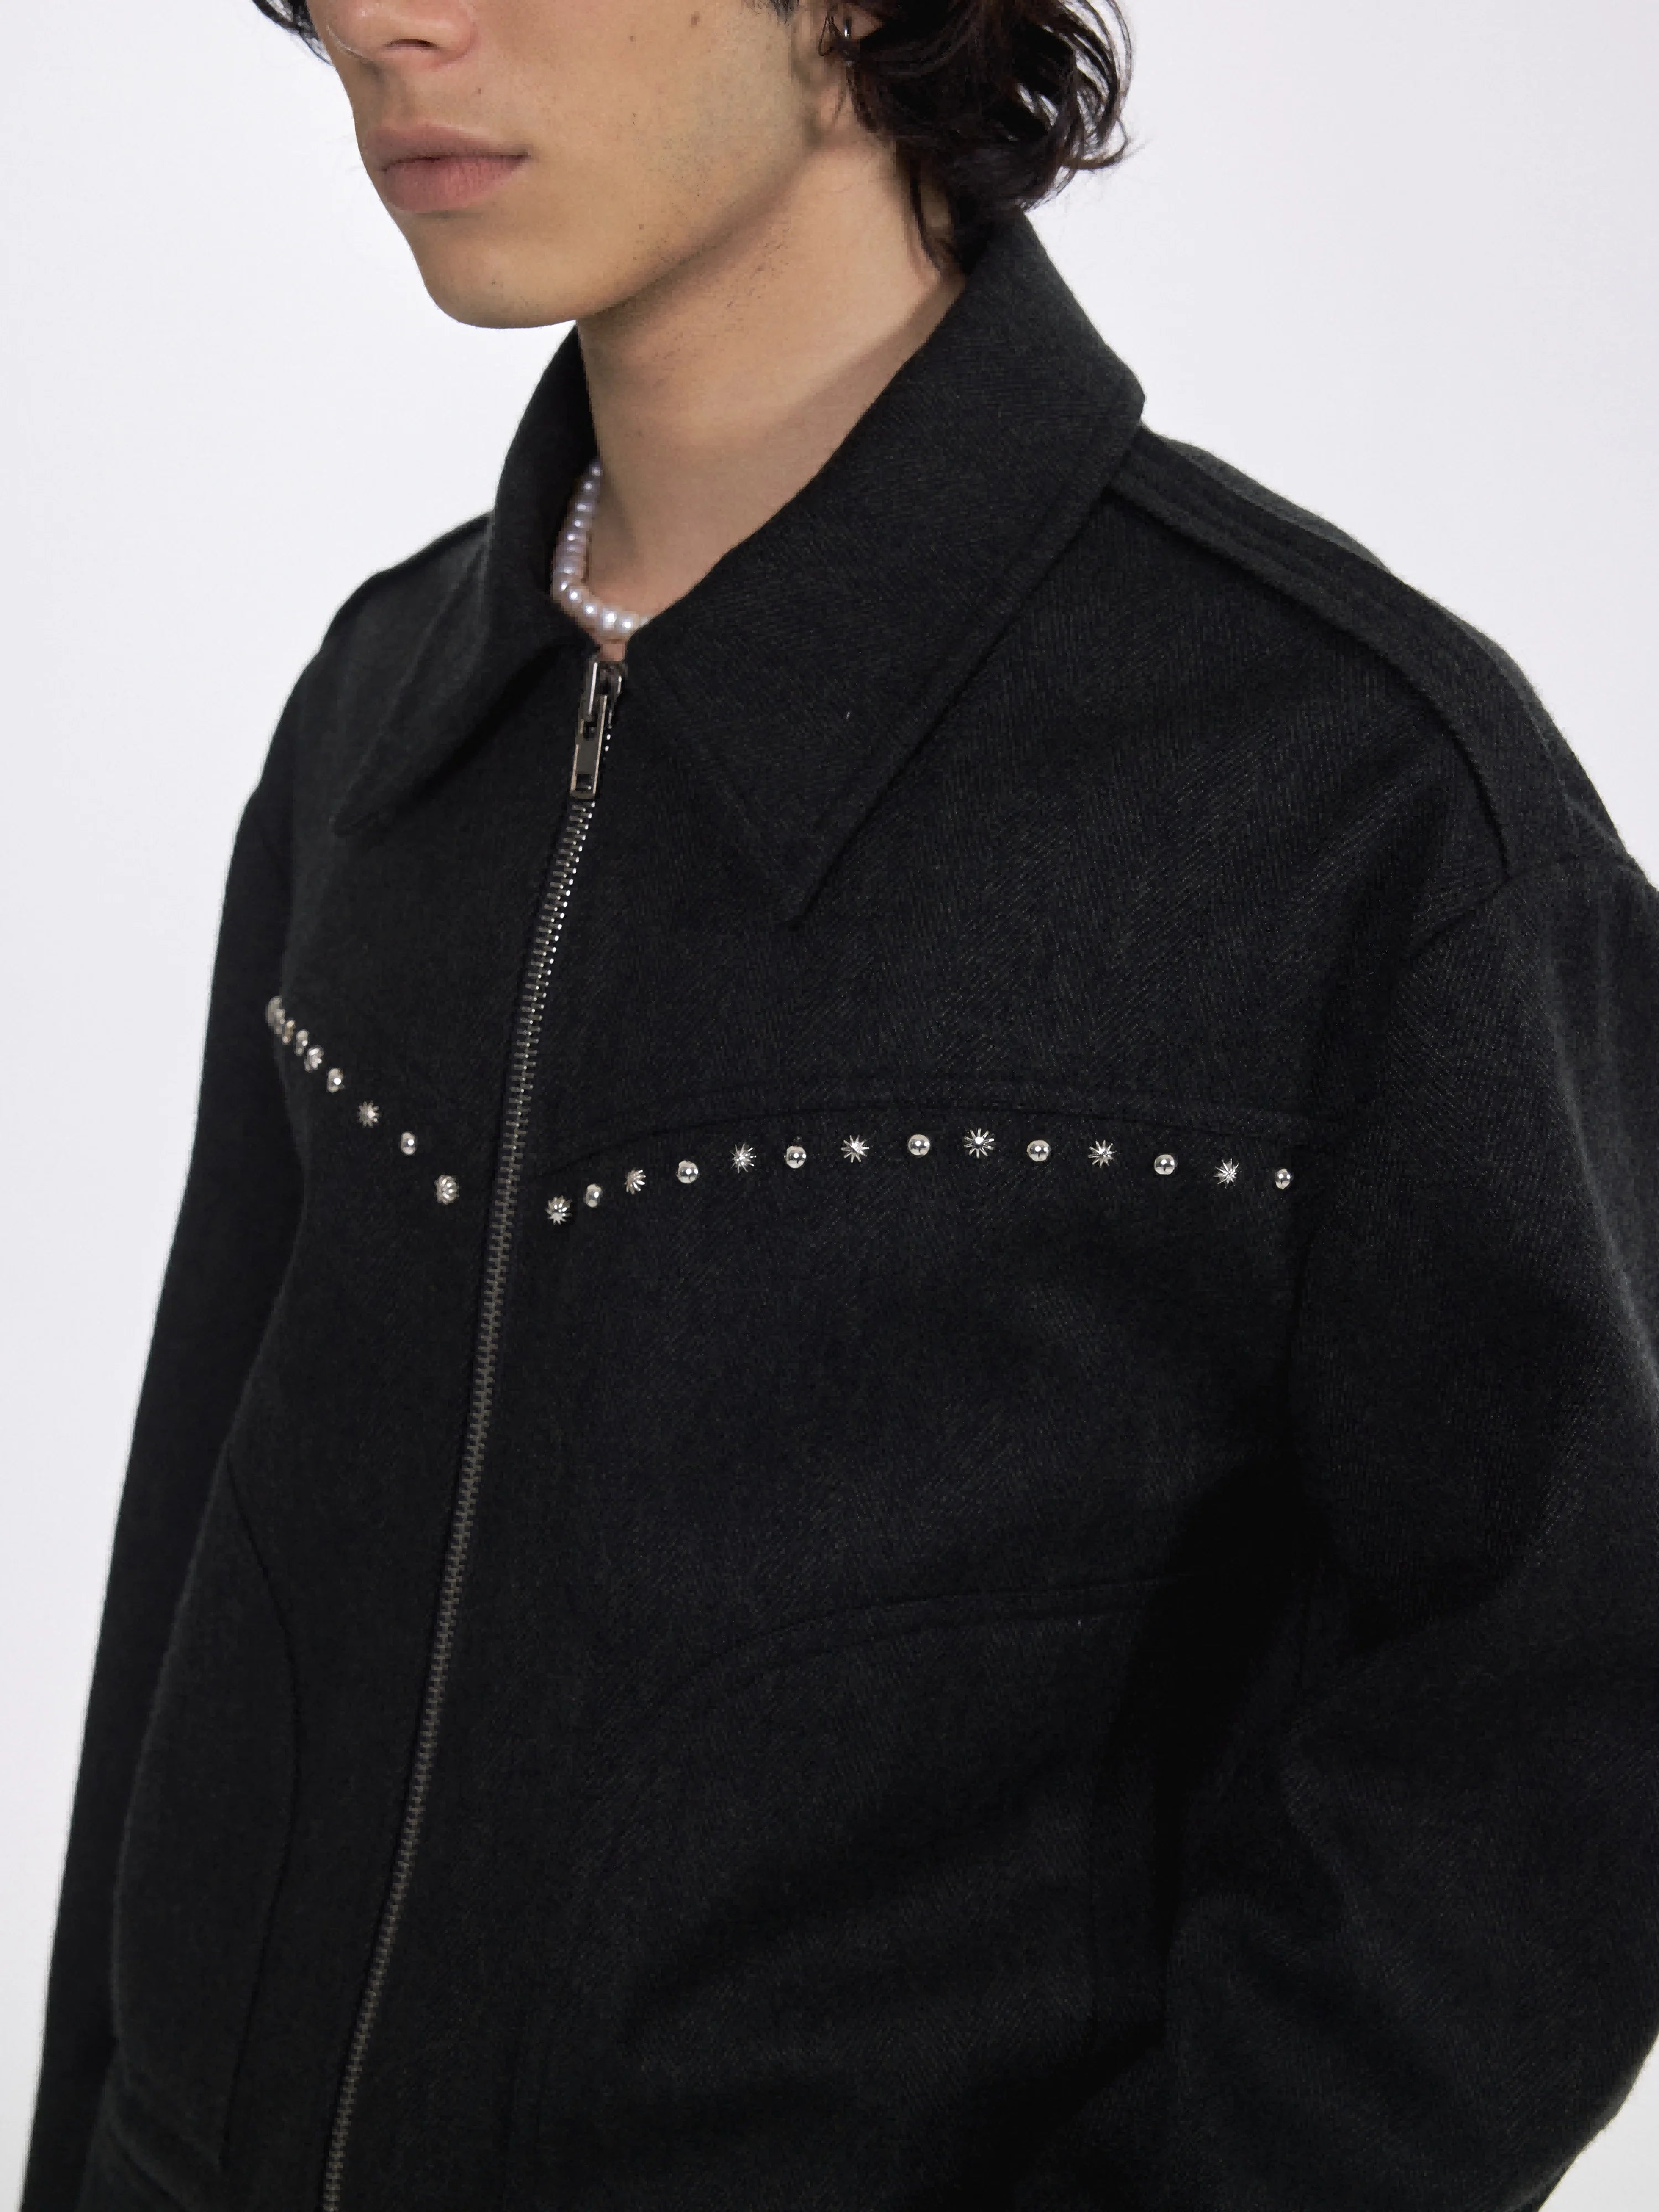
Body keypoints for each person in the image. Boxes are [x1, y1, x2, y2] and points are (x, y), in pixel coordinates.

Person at [23, 0, 1659, 2205]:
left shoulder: (1351, 804)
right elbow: (178, 1640)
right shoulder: (377, 723)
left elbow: (1567, 1736)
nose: (387, 25)